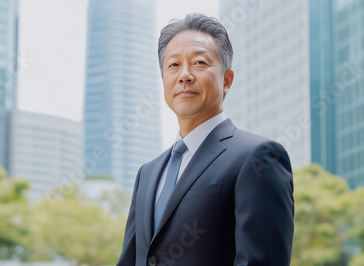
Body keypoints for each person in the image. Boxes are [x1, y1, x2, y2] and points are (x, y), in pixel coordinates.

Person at [117, 13, 294, 266]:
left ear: (226, 80)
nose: (185, 75)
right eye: (173, 65)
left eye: (199, 63)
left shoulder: (258, 157)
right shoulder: (147, 173)